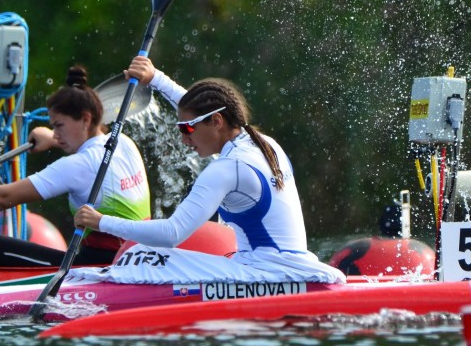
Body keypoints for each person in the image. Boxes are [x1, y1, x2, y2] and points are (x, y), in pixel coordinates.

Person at [71, 56, 346, 284]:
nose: (183, 138)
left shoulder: (228, 168)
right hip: (285, 267)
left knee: (145, 253)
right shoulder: (263, 144)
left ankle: (78, 285)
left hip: (266, 275)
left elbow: (171, 233)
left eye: (187, 129)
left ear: (216, 122)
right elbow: (194, 108)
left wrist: (100, 221)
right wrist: (156, 78)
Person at [0, 65, 151, 267]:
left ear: (86, 119)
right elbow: (93, 155)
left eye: (59, 126)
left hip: (98, 266)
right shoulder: (123, 143)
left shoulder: (77, 165)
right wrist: (53, 138)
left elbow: (3, 196)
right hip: (137, 257)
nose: (56, 134)